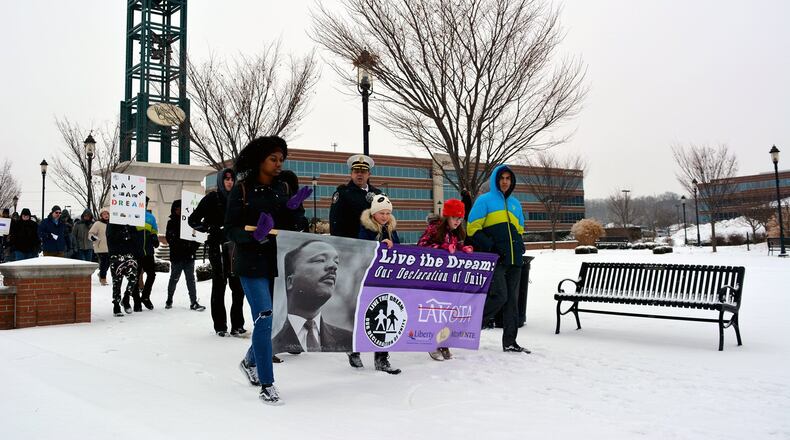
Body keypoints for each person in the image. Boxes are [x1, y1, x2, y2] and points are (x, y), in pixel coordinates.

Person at [225, 136, 311, 404]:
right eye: (273, 159)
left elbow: (293, 226)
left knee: (271, 321)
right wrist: (253, 236)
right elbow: (230, 228)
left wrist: (295, 209)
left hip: (276, 262)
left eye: (281, 160)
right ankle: (267, 382)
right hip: (250, 264)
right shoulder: (241, 190)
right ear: (260, 160)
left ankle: (249, 361)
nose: (278, 164)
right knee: (264, 315)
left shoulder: (281, 189)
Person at [467, 164, 530, 353]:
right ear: (496, 180)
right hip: (496, 259)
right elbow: (472, 228)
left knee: (512, 302)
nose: (505, 181)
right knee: (500, 296)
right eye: (501, 178)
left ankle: (510, 342)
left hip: (515, 260)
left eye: (508, 178)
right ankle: (468, 328)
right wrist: (492, 247)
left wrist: (520, 247)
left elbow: (519, 230)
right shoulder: (484, 200)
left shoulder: (515, 204)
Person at [188, 168, 246, 336]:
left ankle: (237, 325)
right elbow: (193, 220)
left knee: (238, 287)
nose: (229, 182)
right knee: (219, 286)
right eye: (226, 179)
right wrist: (210, 228)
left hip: (235, 247)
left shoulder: (238, 198)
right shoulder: (212, 198)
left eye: (232, 179)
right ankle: (220, 326)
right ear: (221, 181)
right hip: (217, 247)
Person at [417, 198, 474, 361]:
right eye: (455, 217)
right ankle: (431, 343)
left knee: (448, 313)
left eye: (460, 218)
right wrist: (441, 248)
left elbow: (455, 249)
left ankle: (443, 342)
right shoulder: (434, 229)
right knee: (435, 312)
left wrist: (463, 249)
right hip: (432, 277)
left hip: (448, 279)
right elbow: (421, 246)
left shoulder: (457, 232)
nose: (458, 221)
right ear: (447, 216)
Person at [272, 240, 352, 353]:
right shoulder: (271, 346)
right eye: (320, 260)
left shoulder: (350, 341)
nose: (333, 266)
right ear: (290, 281)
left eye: (336, 262)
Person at [356, 194, 401, 374]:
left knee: (386, 316)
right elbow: (361, 247)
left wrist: (392, 245)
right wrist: (378, 243)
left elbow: (398, 249)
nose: (384, 216)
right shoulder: (365, 228)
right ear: (373, 213)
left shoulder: (391, 229)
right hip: (367, 280)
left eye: (387, 213)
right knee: (363, 316)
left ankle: (382, 358)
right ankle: (354, 348)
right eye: (381, 213)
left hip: (386, 280)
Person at [329, 154, 382, 239]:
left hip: (374, 244)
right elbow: (335, 223)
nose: (360, 174)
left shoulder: (378, 194)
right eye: (356, 171)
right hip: (352, 243)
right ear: (351, 174)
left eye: (363, 171)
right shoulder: (343, 193)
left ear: (369, 174)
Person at [165, 200, 204, 311]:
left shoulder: (190, 222)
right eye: (177, 208)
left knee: (190, 280)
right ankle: (169, 299)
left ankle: (193, 301)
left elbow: (197, 237)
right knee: (174, 279)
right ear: (174, 210)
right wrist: (179, 240)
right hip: (177, 256)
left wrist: (193, 248)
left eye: (181, 208)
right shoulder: (171, 222)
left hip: (189, 255)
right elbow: (169, 238)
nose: (179, 211)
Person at [106, 221, 142, 316]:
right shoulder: (112, 222)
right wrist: (123, 234)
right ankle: (116, 304)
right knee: (117, 280)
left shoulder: (131, 222)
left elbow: (137, 238)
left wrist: (130, 235)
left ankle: (126, 298)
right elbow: (110, 238)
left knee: (133, 278)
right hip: (116, 254)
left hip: (130, 254)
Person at [136, 199, 159, 310]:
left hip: (148, 251)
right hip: (136, 252)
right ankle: (136, 300)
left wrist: (155, 237)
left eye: (144, 203)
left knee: (152, 275)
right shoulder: (131, 215)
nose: (143, 205)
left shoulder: (150, 217)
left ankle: (145, 296)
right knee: (134, 276)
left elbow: (154, 230)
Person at [89, 207, 111, 285]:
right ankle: (103, 279)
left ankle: (101, 274)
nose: (106, 215)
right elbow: (91, 233)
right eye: (104, 214)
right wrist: (92, 237)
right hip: (100, 247)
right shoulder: (97, 223)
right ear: (101, 215)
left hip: (110, 247)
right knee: (104, 263)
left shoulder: (111, 224)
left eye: (107, 214)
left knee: (108, 263)